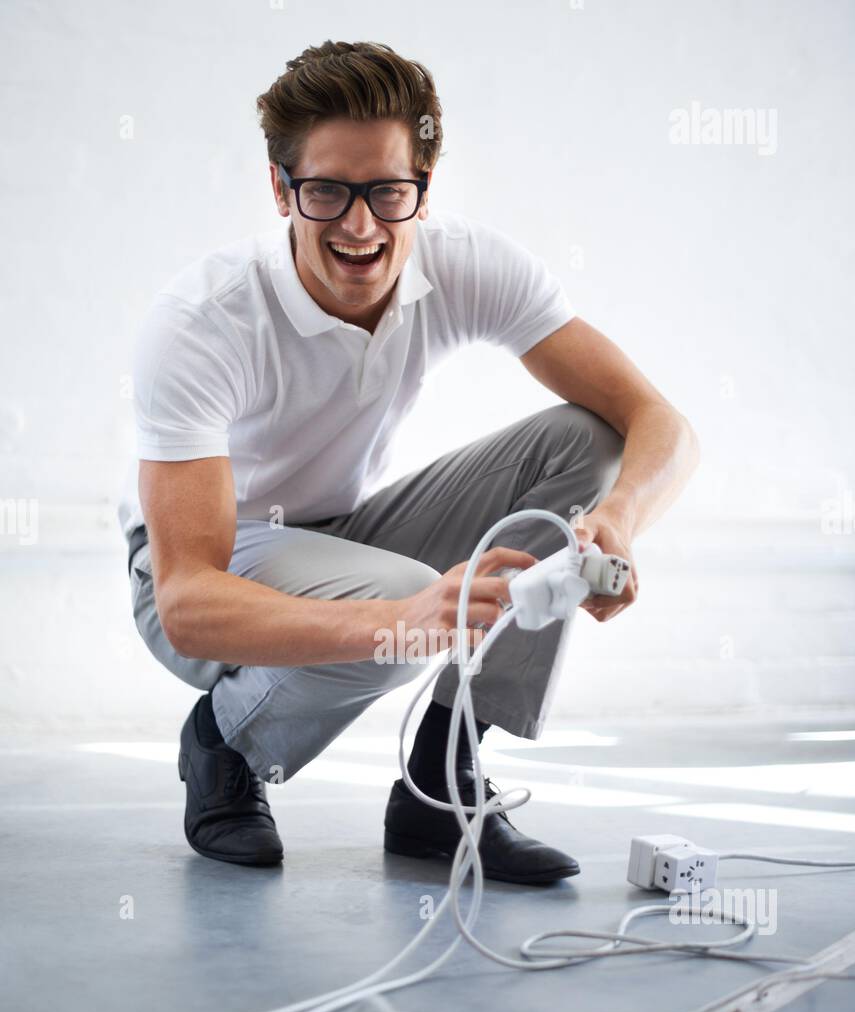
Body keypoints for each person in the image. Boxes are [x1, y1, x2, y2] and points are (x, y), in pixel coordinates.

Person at [119, 40, 698, 884]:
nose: (360, 227)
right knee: (398, 606)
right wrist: (414, 620)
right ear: (281, 189)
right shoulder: (203, 322)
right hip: (201, 563)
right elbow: (186, 603)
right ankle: (225, 741)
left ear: (422, 188)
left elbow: (659, 424)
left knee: (591, 442)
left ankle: (440, 783)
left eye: (388, 192)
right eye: (326, 192)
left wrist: (616, 523)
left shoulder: (464, 264)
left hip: (340, 535)